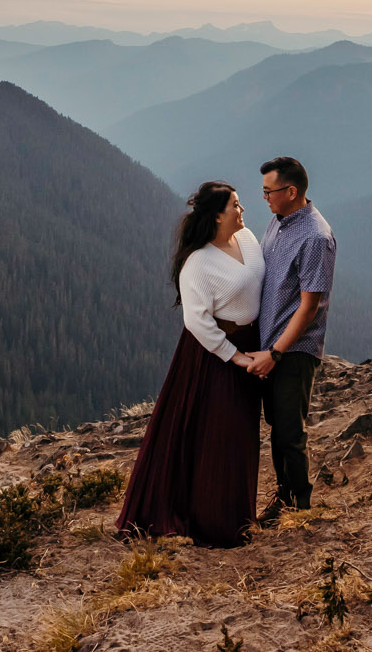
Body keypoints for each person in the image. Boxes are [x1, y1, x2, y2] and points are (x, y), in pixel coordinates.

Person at [114, 180, 268, 547]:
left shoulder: (246, 241)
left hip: (249, 344)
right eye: (235, 204)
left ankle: (239, 517)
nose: (242, 209)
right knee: (217, 435)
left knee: (242, 433)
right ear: (217, 215)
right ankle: (218, 525)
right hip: (214, 354)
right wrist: (234, 355)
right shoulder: (198, 262)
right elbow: (196, 321)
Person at [248, 155, 335, 517]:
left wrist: (277, 353)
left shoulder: (316, 237)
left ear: (292, 191)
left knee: (289, 432)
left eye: (269, 191)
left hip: (293, 350)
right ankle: (283, 498)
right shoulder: (278, 222)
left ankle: (301, 507)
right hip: (270, 345)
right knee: (277, 428)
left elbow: (309, 307)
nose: (264, 197)